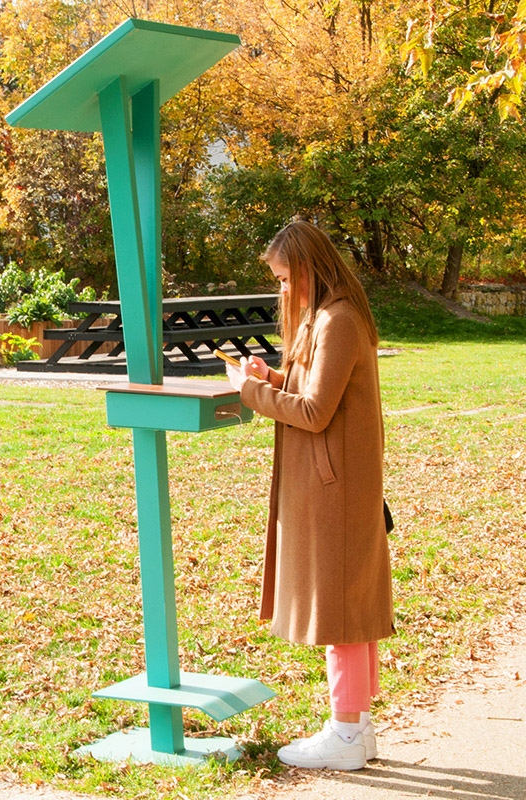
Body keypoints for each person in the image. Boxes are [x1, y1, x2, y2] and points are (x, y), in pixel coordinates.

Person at [225, 218, 395, 771]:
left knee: (341, 611)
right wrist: (273, 379)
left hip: (337, 489)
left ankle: (346, 732)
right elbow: (318, 392)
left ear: (306, 270)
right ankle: (355, 726)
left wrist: (250, 392)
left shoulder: (338, 320)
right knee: (348, 604)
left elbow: (317, 412)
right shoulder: (328, 317)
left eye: (282, 277)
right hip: (339, 483)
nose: (280, 288)